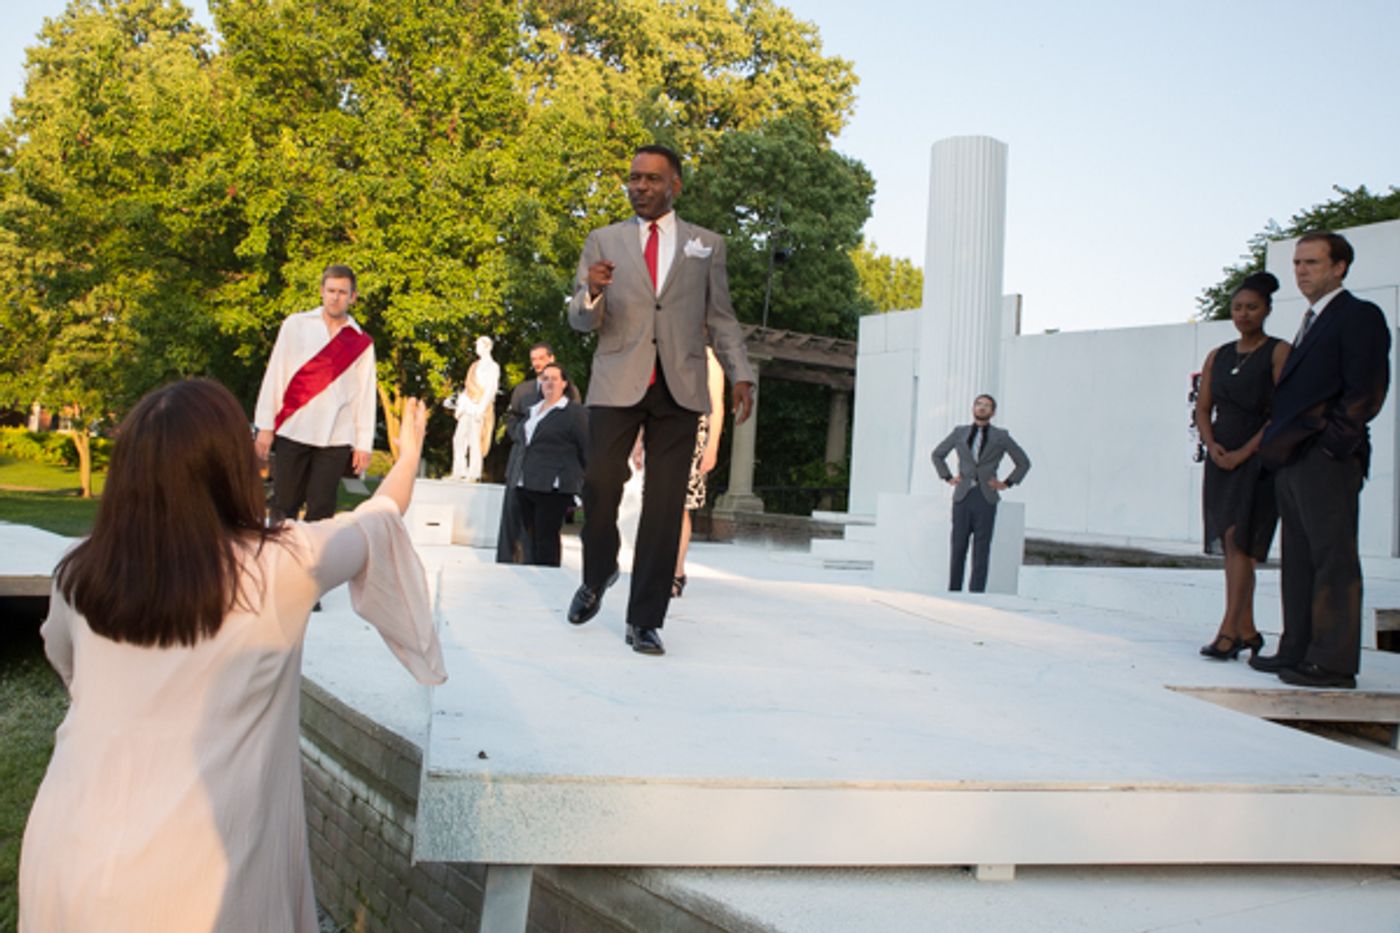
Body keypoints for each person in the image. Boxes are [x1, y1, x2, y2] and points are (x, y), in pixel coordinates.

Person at [19, 380, 444, 931]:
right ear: (228, 468)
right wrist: (408, 454)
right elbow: (381, 515)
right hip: (200, 883)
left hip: (67, 855)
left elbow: (71, 670)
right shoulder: (280, 569)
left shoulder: (78, 572)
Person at [565, 143, 755, 656]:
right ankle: (599, 571)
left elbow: (721, 318)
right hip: (617, 379)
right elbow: (580, 321)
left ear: (675, 185)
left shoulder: (706, 244)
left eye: (651, 179)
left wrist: (740, 373)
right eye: (633, 179)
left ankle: (645, 618)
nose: (639, 187)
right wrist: (592, 291)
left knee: (665, 506)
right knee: (600, 484)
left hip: (681, 385)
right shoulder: (602, 240)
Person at [1251, 232, 1391, 688]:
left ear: (1340, 267)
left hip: (1327, 457)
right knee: (1297, 559)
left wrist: (1333, 444)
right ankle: (1296, 649)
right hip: (1294, 458)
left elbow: (1366, 390)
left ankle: (1331, 663)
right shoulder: (1310, 321)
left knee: (1333, 558)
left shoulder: (1359, 316)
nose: (1301, 271)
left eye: (1312, 262)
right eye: (1297, 263)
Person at [1194, 272, 1290, 660]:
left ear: (1267, 309)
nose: (1244, 314)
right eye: (1238, 308)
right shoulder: (1218, 354)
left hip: (1257, 458)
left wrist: (1244, 453)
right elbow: (1203, 408)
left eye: (1252, 307)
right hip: (1220, 458)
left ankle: (1228, 631)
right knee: (1232, 542)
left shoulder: (1278, 352)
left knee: (1242, 543)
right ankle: (1246, 629)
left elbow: (1281, 412)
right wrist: (1213, 445)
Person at [254, 264, 376, 523]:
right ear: (321, 291)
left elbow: (365, 396)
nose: (335, 297)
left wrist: (364, 443)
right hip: (294, 427)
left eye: (342, 292)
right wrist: (265, 426)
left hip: (337, 434)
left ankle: (316, 563)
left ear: (353, 297)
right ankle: (279, 561)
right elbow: (276, 374)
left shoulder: (361, 342)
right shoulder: (295, 325)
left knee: (322, 509)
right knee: (284, 504)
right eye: (331, 290)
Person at [931, 394, 1031, 592]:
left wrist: (1007, 483)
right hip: (963, 495)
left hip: (986, 497)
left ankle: (976, 594)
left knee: (981, 549)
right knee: (958, 547)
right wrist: (948, 477)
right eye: (979, 404)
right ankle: (954, 591)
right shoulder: (959, 432)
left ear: (992, 412)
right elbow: (937, 454)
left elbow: (1023, 462)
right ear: (973, 408)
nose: (982, 408)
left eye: (987, 406)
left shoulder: (1001, 436)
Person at [498, 342, 580, 563]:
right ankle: (510, 562)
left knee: (545, 529)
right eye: (533, 359)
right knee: (514, 519)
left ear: (551, 358)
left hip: (550, 474)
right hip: (520, 466)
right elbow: (513, 419)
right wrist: (522, 436)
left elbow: (575, 431)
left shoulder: (569, 394)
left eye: (541, 358)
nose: (537, 363)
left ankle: (541, 567)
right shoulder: (523, 391)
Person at [513, 363, 589, 566]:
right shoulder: (532, 411)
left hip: (553, 484)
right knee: (530, 535)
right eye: (545, 379)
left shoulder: (574, 413)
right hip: (525, 481)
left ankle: (548, 577)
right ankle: (532, 574)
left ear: (564, 383)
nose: (549, 383)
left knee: (546, 536)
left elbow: (587, 447)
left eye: (555, 379)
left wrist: (585, 481)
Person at [672, 347, 725, 597]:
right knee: (658, 505)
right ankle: (657, 567)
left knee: (680, 506)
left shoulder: (708, 358)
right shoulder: (668, 348)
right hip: (664, 431)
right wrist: (640, 439)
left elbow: (717, 407)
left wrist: (711, 447)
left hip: (694, 435)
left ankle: (677, 572)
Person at [451, 334, 500, 482]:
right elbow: (467, 387)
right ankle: (459, 470)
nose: (476, 348)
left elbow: (491, 389)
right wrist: (460, 406)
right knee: (458, 439)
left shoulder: (493, 366)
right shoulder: (474, 366)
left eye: (479, 345)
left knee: (474, 440)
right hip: (467, 405)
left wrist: (482, 408)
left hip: (480, 406)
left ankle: (474, 472)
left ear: (487, 347)